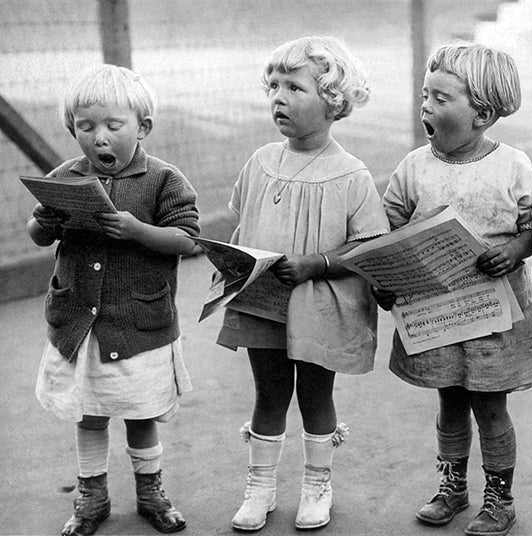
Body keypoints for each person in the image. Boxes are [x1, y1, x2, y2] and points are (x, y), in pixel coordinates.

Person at [215, 36, 389, 532]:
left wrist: (316, 263)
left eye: (295, 87)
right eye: (273, 86)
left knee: (315, 396)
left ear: (333, 100)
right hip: (262, 300)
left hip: (320, 306)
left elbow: (368, 247)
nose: (279, 97)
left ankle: (317, 485)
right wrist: (228, 261)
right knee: (268, 394)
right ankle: (260, 487)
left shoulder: (352, 175)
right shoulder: (261, 161)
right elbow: (241, 225)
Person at [377, 43, 532, 536]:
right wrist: (383, 274)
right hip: (434, 311)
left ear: (482, 113)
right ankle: (453, 486)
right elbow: (386, 225)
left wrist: (516, 250)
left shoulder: (512, 165)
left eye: (441, 98)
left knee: (491, 405)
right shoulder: (413, 166)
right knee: (449, 400)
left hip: (495, 313)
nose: (425, 106)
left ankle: (499, 497)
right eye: (425, 95)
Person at [28, 64, 200, 535]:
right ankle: (92, 496)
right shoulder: (66, 175)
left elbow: (188, 240)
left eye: (112, 125)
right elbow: (38, 231)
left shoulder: (164, 179)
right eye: (85, 127)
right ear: (72, 130)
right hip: (79, 323)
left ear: (142, 128)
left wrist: (138, 230)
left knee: (141, 413)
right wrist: (46, 224)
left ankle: (150, 491)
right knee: (89, 412)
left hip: (139, 324)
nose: (98, 138)